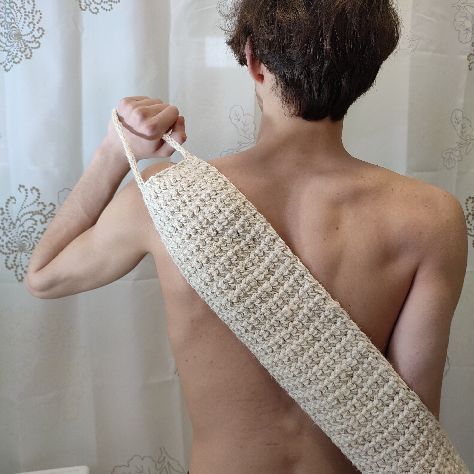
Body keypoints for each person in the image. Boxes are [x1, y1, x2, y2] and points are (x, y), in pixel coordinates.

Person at [25, 1, 468, 473]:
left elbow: (43, 276)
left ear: (253, 60)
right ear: (367, 71)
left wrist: (116, 152)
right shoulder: (431, 218)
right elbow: (411, 436)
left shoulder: (167, 198)